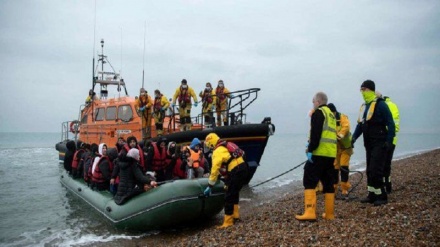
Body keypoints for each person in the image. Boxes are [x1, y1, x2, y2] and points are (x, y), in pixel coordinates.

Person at [352, 80, 395, 206]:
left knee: (376, 169)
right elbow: (360, 125)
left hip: (380, 143)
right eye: (361, 90)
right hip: (369, 143)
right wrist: (353, 138)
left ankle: (382, 196)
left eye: (364, 89)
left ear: (370, 90)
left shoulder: (381, 105)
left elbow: (391, 123)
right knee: (369, 170)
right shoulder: (365, 107)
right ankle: (372, 194)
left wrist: (389, 141)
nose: (362, 92)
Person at [296, 92, 337, 221]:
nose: (313, 104)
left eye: (313, 101)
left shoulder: (319, 113)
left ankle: (310, 212)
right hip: (330, 154)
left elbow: (316, 133)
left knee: (309, 179)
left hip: (319, 153)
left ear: (318, 102)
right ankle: (329, 214)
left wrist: (310, 149)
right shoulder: (331, 114)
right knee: (328, 182)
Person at [203, 133, 248, 228]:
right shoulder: (228, 144)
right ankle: (235, 215)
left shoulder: (217, 151)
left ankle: (228, 221)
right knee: (234, 192)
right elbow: (242, 154)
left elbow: (215, 169)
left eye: (209, 145)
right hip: (243, 167)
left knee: (228, 195)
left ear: (211, 143)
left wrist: (210, 185)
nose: (209, 148)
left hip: (236, 170)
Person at [327, 103, 354, 199]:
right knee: (335, 168)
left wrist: (339, 136)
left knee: (344, 167)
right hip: (335, 149)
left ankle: (344, 188)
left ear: (333, 112)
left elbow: (346, 127)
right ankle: (334, 187)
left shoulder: (342, 117)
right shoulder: (328, 120)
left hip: (346, 147)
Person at [376, 91, 400, 193]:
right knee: (386, 164)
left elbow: (392, 125)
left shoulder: (384, 106)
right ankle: (387, 185)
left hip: (386, 140)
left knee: (383, 164)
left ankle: (385, 186)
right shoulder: (392, 105)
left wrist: (381, 133)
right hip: (391, 140)